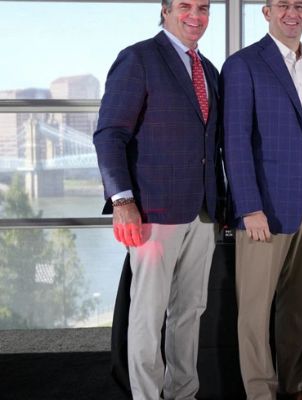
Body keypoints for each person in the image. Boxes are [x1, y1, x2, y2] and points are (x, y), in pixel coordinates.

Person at [92, 0, 220, 399]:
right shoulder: (138, 59)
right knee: (147, 316)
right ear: (165, 10)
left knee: (190, 312)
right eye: (185, 6)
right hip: (153, 212)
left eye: (203, 7)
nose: (195, 15)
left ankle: (183, 392)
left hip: (201, 212)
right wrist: (122, 201)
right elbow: (110, 134)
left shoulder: (209, 70)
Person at [221, 0, 302, 399]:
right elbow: (234, 141)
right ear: (266, 11)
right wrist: (248, 206)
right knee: (254, 311)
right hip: (263, 207)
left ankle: (293, 384)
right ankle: (260, 392)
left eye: (299, 5)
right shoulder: (243, 65)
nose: (292, 12)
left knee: (298, 307)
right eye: (283, 4)